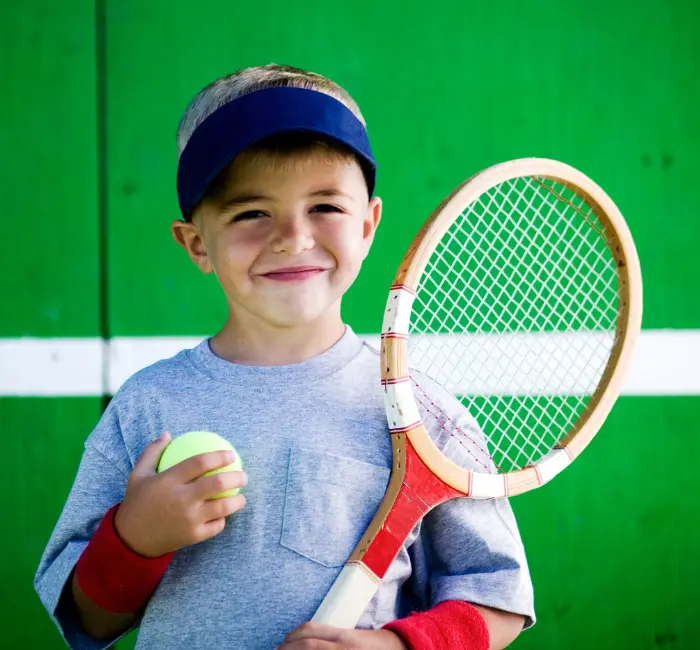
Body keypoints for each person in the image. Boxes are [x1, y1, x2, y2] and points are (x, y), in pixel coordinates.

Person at [35, 64, 534, 650]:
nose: (293, 237)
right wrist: (135, 538)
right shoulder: (149, 405)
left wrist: (394, 647)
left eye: (325, 206)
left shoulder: (421, 412)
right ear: (197, 244)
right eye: (251, 213)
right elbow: (85, 619)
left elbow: (496, 600)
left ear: (369, 226)